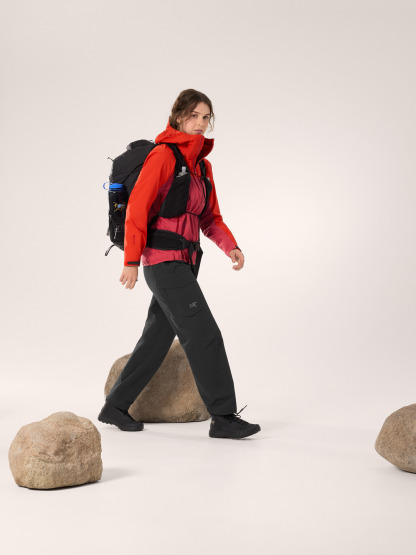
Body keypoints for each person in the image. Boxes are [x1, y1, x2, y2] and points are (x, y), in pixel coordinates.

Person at [98, 89, 261, 439]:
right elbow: (138, 208)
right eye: (194, 116)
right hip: (162, 262)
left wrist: (231, 246)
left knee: (156, 339)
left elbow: (210, 218)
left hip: (186, 262)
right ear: (178, 117)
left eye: (206, 117)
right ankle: (223, 416)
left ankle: (115, 406)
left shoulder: (202, 166)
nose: (201, 123)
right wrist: (131, 260)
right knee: (204, 334)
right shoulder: (163, 155)